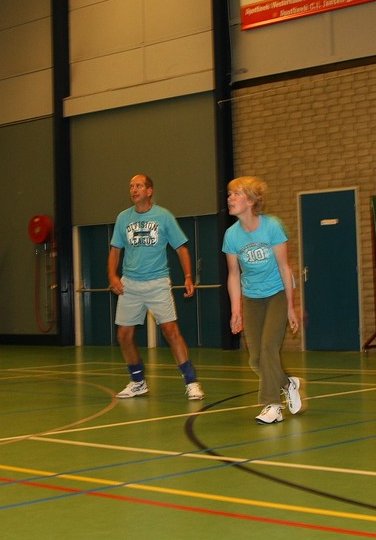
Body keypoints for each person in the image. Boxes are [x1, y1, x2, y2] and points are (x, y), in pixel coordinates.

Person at [108, 175, 203, 400]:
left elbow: (181, 248)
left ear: (149, 191)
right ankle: (138, 382)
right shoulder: (123, 218)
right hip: (130, 284)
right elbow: (115, 250)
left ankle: (191, 382)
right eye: (131, 186)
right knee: (124, 336)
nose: (134, 190)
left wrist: (188, 276)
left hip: (157, 282)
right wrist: (112, 275)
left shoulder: (163, 216)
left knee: (171, 331)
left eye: (138, 186)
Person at [222, 176, 302, 424]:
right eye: (229, 194)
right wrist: (236, 310)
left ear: (251, 200)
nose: (230, 198)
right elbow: (233, 275)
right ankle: (287, 384)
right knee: (256, 358)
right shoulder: (231, 235)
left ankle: (273, 405)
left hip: (277, 293)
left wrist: (290, 306)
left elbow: (284, 267)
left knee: (268, 348)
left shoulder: (272, 227)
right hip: (252, 297)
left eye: (236, 194)